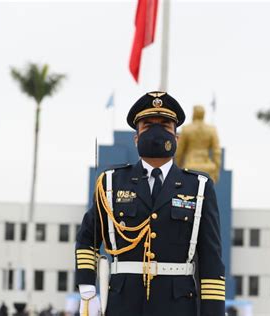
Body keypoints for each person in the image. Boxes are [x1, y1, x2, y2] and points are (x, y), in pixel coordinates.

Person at [75, 91, 225, 316]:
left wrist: (212, 312)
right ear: (136, 138)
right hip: (123, 305)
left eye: (165, 125)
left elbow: (211, 259)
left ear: (177, 138)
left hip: (178, 307)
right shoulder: (110, 183)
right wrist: (87, 290)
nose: (156, 132)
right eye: (147, 126)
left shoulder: (199, 187)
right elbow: (88, 237)